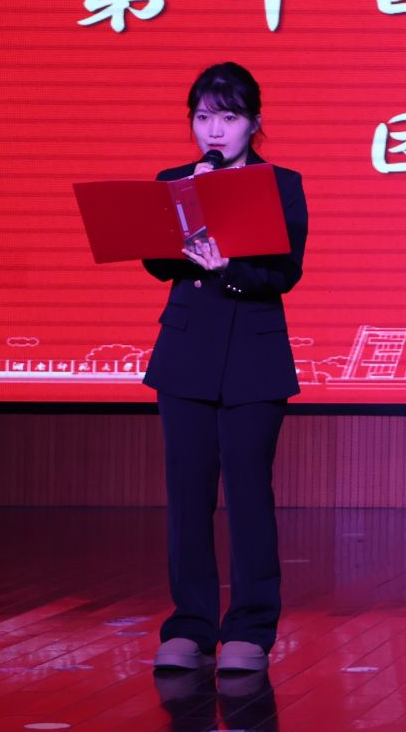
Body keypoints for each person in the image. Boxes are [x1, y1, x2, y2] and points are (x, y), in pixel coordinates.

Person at [140, 62, 308, 675]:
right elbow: (157, 265)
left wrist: (227, 268)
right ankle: (189, 625)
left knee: (248, 493)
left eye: (229, 117)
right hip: (186, 354)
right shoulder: (174, 181)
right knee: (187, 496)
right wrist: (180, 239)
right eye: (203, 117)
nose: (214, 130)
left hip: (254, 357)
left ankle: (251, 630)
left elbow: (283, 274)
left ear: (254, 122)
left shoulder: (280, 184)